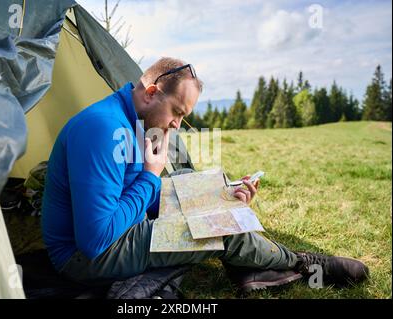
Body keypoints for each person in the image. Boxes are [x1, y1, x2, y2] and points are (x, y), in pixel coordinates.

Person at [41, 57, 369, 293]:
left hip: (121, 230)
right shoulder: (103, 128)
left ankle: (254, 271)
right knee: (218, 230)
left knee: (216, 210)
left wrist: (222, 194)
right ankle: (303, 264)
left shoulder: (135, 121)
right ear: (152, 92)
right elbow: (96, 239)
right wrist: (152, 177)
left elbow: (134, 194)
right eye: (177, 113)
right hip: (84, 258)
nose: (176, 125)